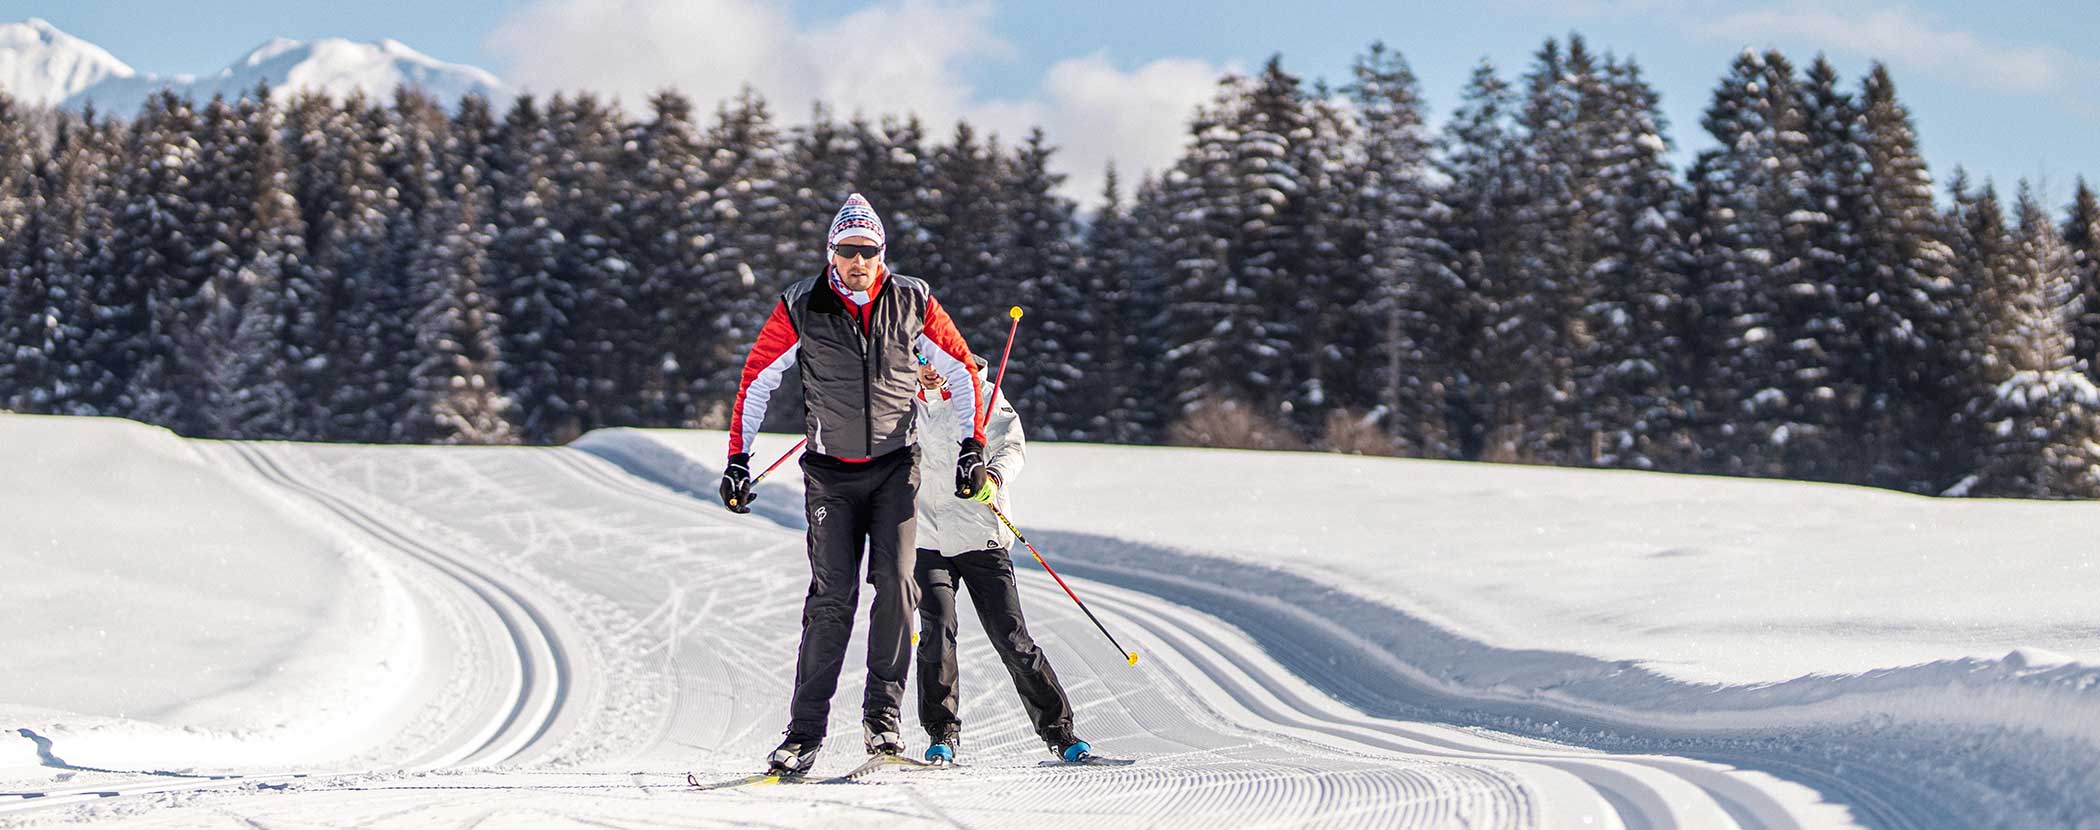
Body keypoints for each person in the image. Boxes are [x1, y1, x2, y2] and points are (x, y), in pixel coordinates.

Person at [719, 193, 990, 776]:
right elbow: (757, 382)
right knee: (832, 599)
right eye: (848, 250)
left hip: (895, 469)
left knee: (896, 586)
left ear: (882, 254)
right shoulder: (801, 305)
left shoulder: (911, 300)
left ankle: (882, 720)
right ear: (831, 253)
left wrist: (974, 448)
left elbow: (962, 371)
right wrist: (739, 459)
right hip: (830, 476)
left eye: (868, 250)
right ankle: (803, 733)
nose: (858, 261)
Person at [908, 356, 1093, 763]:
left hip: (981, 534)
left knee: (1011, 639)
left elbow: (1012, 447)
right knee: (937, 632)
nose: (930, 369)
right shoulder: (905, 402)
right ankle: (941, 733)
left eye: (938, 361)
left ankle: (1060, 733)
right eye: (922, 361)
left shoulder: (985, 396)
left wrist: (992, 477)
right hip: (927, 536)